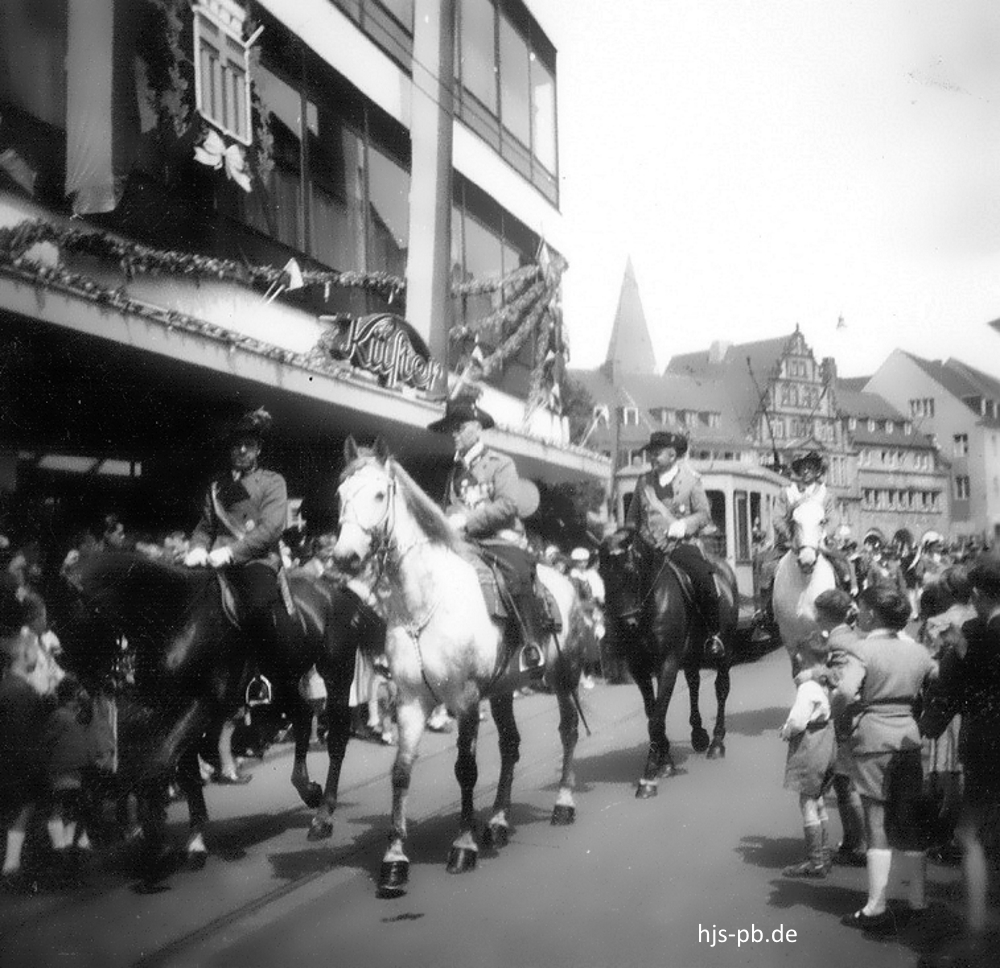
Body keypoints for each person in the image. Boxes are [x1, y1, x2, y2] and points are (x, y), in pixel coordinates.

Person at [832, 582, 936, 935]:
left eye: (861, 608)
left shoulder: (862, 649)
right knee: (908, 820)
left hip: (873, 738)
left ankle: (876, 906)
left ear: (873, 613)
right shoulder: (918, 652)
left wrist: (842, 721)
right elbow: (938, 681)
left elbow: (845, 691)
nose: (857, 613)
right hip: (908, 738)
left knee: (876, 819)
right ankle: (918, 900)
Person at [428, 396, 554, 661]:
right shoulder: (454, 473)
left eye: (459, 427)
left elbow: (508, 505)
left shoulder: (501, 463)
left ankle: (529, 645)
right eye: (452, 428)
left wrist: (468, 521)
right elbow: (450, 507)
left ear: (476, 427)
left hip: (500, 540)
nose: (454, 433)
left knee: (516, 576)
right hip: (464, 544)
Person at [919, 557, 1000, 967]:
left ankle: (975, 934)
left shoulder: (975, 637)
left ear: (979, 595)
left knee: (969, 834)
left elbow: (948, 693)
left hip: (988, 748)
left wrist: (927, 726)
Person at [184, 408, 293, 659]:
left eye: (249, 445)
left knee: (258, 608)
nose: (242, 450)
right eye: (237, 445)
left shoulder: (273, 481)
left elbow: (271, 529)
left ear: (258, 450)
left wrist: (232, 552)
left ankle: (263, 674)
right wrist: (197, 548)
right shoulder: (216, 486)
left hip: (256, 560)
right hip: (214, 561)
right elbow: (205, 527)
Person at [623, 430, 725, 658]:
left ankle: (713, 634)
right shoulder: (643, 482)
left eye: (657, 453)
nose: (652, 458)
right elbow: (632, 519)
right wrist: (626, 538)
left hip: (679, 546)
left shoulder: (691, 481)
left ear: (672, 455)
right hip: (647, 548)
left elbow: (704, 515)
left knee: (704, 580)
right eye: (651, 453)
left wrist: (685, 525)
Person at [796, 588, 868, 866]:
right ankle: (853, 841)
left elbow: (840, 677)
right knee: (844, 782)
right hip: (854, 717)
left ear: (824, 614)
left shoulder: (837, 642)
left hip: (844, 718)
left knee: (846, 784)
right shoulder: (850, 635)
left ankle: (858, 843)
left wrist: (813, 673)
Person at [780, 631, 838, 878]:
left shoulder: (807, 688)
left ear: (802, 658)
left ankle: (815, 862)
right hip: (828, 745)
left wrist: (785, 730)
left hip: (811, 746)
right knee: (819, 799)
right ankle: (823, 854)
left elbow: (798, 720)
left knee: (807, 801)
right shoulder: (826, 684)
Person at [772, 452, 856, 594]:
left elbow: (833, 520)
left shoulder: (826, 496)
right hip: (791, 544)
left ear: (817, 471)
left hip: (820, 543)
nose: (806, 471)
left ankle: (846, 601)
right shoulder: (786, 493)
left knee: (841, 568)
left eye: (810, 467)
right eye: (803, 467)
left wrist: (822, 535)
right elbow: (777, 518)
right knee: (767, 569)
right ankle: (768, 608)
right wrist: (791, 535)